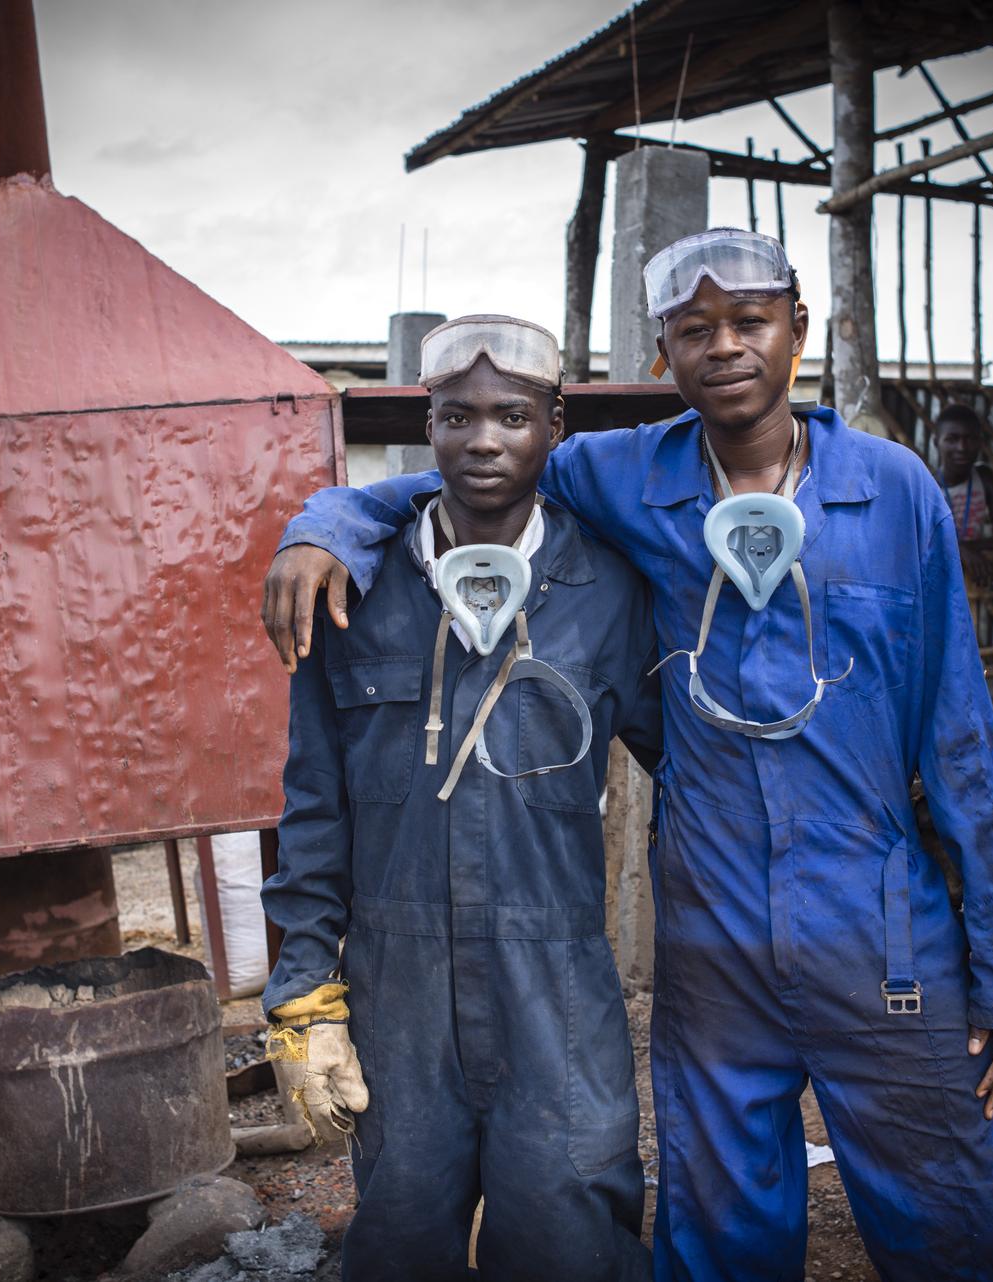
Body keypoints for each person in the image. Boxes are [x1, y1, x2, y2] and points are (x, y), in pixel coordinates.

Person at [261, 230, 993, 1281]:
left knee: (953, 1217)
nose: (725, 347)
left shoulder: (895, 489)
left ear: (798, 332)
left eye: (750, 321)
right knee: (721, 1233)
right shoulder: (622, 474)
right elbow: (461, 483)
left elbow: (961, 737)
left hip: (881, 932)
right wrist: (322, 523)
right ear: (663, 355)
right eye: (695, 329)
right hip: (714, 939)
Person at [260, 314, 662, 1282]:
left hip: (556, 977)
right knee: (401, 1226)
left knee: (571, 1223)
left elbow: (693, 774)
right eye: (456, 416)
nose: (484, 439)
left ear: (554, 425)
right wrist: (304, 986)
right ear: (425, 426)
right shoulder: (352, 589)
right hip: (400, 988)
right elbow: (314, 806)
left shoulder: (606, 588)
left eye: (513, 416)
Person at [935, 402, 993, 577]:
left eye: (970, 439)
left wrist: (963, 548)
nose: (962, 447)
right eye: (952, 439)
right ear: (936, 442)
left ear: (980, 443)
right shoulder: (927, 486)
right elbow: (917, 544)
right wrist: (960, 550)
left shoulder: (984, 478)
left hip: (974, 581)